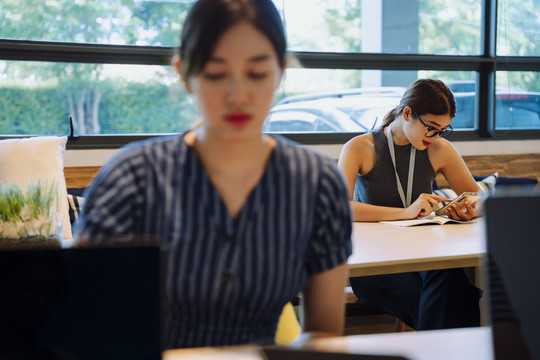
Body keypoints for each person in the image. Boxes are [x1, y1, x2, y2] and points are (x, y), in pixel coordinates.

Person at [74, 0, 352, 350]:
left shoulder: (316, 183)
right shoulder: (132, 180)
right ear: (185, 74)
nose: (237, 95)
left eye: (257, 74)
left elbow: (323, 333)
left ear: (281, 70)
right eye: (216, 74)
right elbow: (87, 330)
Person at [338, 78, 481, 330]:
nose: (435, 136)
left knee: (450, 275)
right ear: (407, 113)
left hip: (427, 254)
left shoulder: (439, 148)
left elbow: (480, 198)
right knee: (457, 300)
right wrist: (406, 212)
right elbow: (339, 208)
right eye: (432, 128)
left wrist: (468, 208)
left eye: (442, 130)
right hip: (375, 260)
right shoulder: (360, 147)